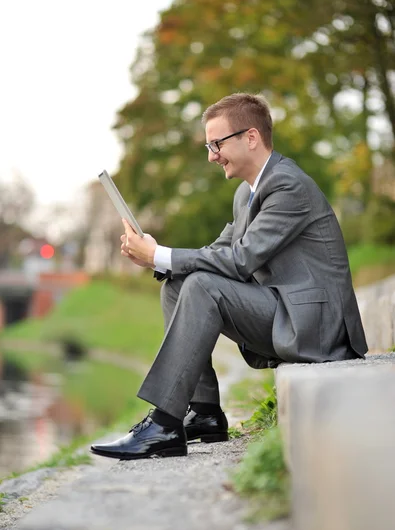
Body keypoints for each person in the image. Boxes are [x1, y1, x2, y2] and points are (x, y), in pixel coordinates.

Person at [91, 92, 367, 461]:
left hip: (318, 327)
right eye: (209, 145)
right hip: (285, 312)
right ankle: (204, 412)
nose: (211, 155)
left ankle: (164, 424)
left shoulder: (288, 185)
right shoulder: (245, 194)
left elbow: (239, 262)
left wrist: (160, 255)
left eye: (216, 144)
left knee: (202, 285)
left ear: (250, 137)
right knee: (177, 284)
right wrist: (157, 258)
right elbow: (218, 251)